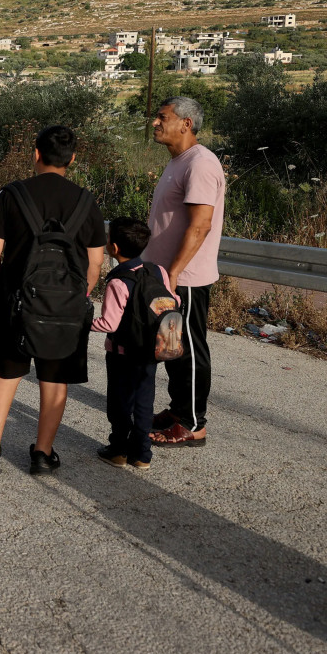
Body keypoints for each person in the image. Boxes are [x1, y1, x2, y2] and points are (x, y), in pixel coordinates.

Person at [0, 125, 106, 476]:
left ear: (35, 154)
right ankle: (43, 455)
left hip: (14, 300)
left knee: (6, 374)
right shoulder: (86, 201)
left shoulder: (12, 195)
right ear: (72, 159)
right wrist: (81, 295)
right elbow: (96, 261)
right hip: (66, 306)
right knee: (54, 377)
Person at [144, 96, 225, 447]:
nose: (155, 123)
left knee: (188, 349)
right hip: (167, 276)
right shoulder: (179, 161)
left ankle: (193, 424)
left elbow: (201, 225)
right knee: (172, 347)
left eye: (162, 117)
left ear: (186, 123)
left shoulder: (201, 164)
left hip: (185, 279)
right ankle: (179, 410)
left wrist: (175, 272)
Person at [91, 218, 169, 470]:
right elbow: (171, 302)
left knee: (120, 404)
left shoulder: (118, 281)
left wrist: (82, 323)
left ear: (113, 247)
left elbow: (109, 324)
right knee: (144, 403)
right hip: (151, 352)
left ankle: (118, 451)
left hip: (122, 355)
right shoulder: (158, 271)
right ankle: (142, 455)